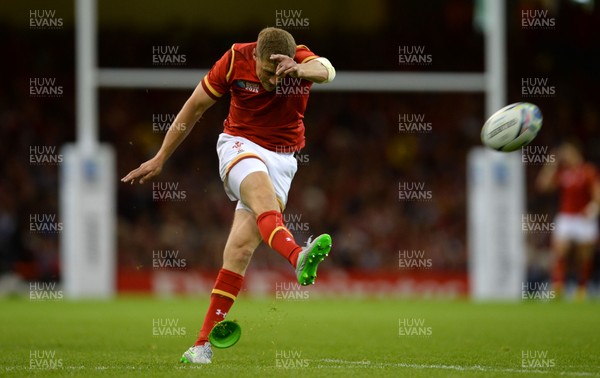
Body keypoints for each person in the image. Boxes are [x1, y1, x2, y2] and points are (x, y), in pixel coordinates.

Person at [121, 27, 336, 363]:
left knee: (238, 249)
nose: (273, 79)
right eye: (267, 71)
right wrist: (161, 156)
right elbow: (194, 108)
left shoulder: (300, 60)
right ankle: (297, 256)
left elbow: (327, 70)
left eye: (279, 73)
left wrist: (298, 68)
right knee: (263, 199)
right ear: (257, 58)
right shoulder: (236, 58)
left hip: (283, 159)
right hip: (240, 145)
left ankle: (201, 345)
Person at [536, 140, 600, 299]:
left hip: (583, 217)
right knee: (560, 251)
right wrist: (551, 163)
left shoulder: (588, 170)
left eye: (567, 152)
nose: (565, 156)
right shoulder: (562, 172)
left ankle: (582, 288)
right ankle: (558, 286)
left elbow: (597, 194)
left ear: (575, 152)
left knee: (584, 255)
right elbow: (543, 186)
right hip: (566, 217)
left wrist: (593, 208)